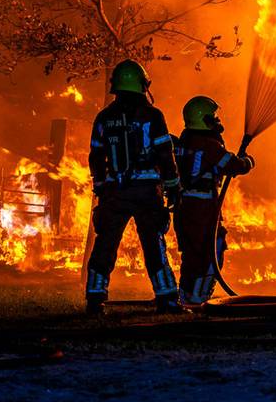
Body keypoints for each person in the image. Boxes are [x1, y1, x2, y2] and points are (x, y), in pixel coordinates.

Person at [85, 59, 181, 314]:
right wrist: (172, 185)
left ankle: (94, 299)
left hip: (115, 192)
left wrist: (102, 185)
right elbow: (164, 153)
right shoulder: (152, 115)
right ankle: (167, 300)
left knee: (105, 244)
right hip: (147, 192)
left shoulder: (104, 117)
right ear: (142, 85)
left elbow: (96, 156)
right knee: (153, 246)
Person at [173, 95, 254, 306]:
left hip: (183, 205)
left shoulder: (184, 140)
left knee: (191, 252)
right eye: (214, 116)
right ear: (204, 119)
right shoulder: (209, 145)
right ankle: (200, 296)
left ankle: (185, 294)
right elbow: (234, 165)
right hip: (203, 206)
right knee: (213, 247)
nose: (217, 121)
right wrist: (248, 162)